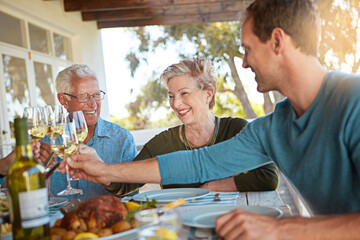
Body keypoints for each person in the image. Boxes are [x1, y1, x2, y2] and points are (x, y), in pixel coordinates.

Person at [62, 0, 360, 238]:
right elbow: (199, 163)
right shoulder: (272, 127)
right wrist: (104, 171)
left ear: (277, 41)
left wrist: (280, 230)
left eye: (247, 49)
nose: (243, 62)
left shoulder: (354, 101)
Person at [105, 57, 278, 195]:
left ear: (207, 95)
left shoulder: (235, 129)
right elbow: (124, 185)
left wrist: (212, 186)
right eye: (171, 96)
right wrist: (100, 170)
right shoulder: (163, 142)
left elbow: (268, 177)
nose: (176, 103)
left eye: (184, 93)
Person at [39, 64, 137, 200]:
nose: (93, 104)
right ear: (63, 100)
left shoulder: (123, 139)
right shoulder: (46, 140)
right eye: (84, 96)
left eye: (96, 95)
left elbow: (131, 197)